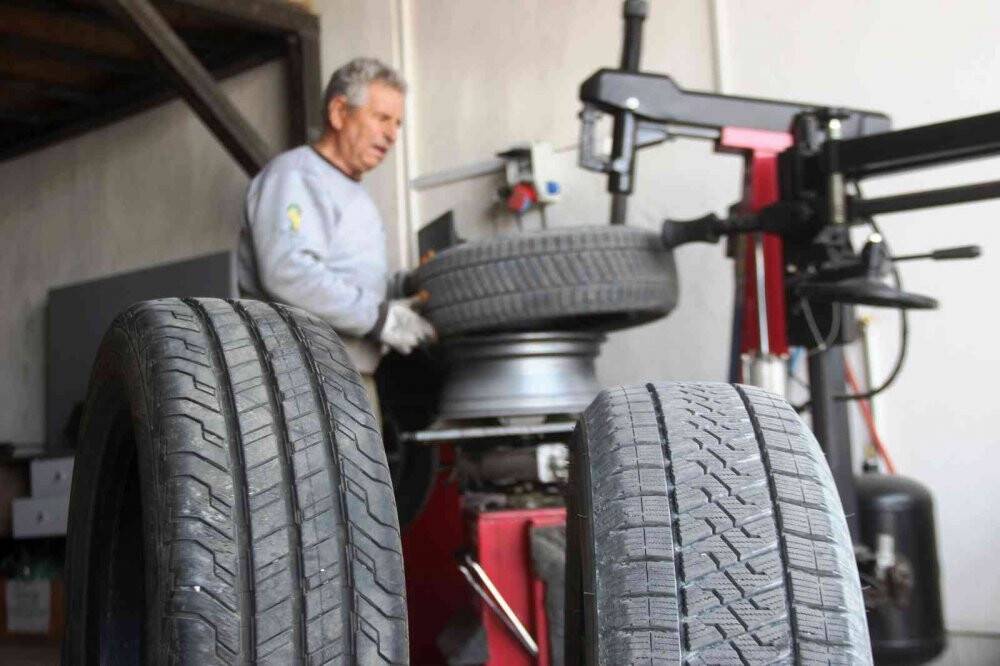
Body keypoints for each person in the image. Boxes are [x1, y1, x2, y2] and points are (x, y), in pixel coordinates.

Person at [238, 57, 435, 400]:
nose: (392, 135)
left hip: (352, 374)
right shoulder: (295, 177)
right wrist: (379, 319)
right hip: (303, 377)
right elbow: (288, 271)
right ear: (340, 112)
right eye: (382, 118)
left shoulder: (357, 196)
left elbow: (352, 279)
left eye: (398, 123)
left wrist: (408, 285)